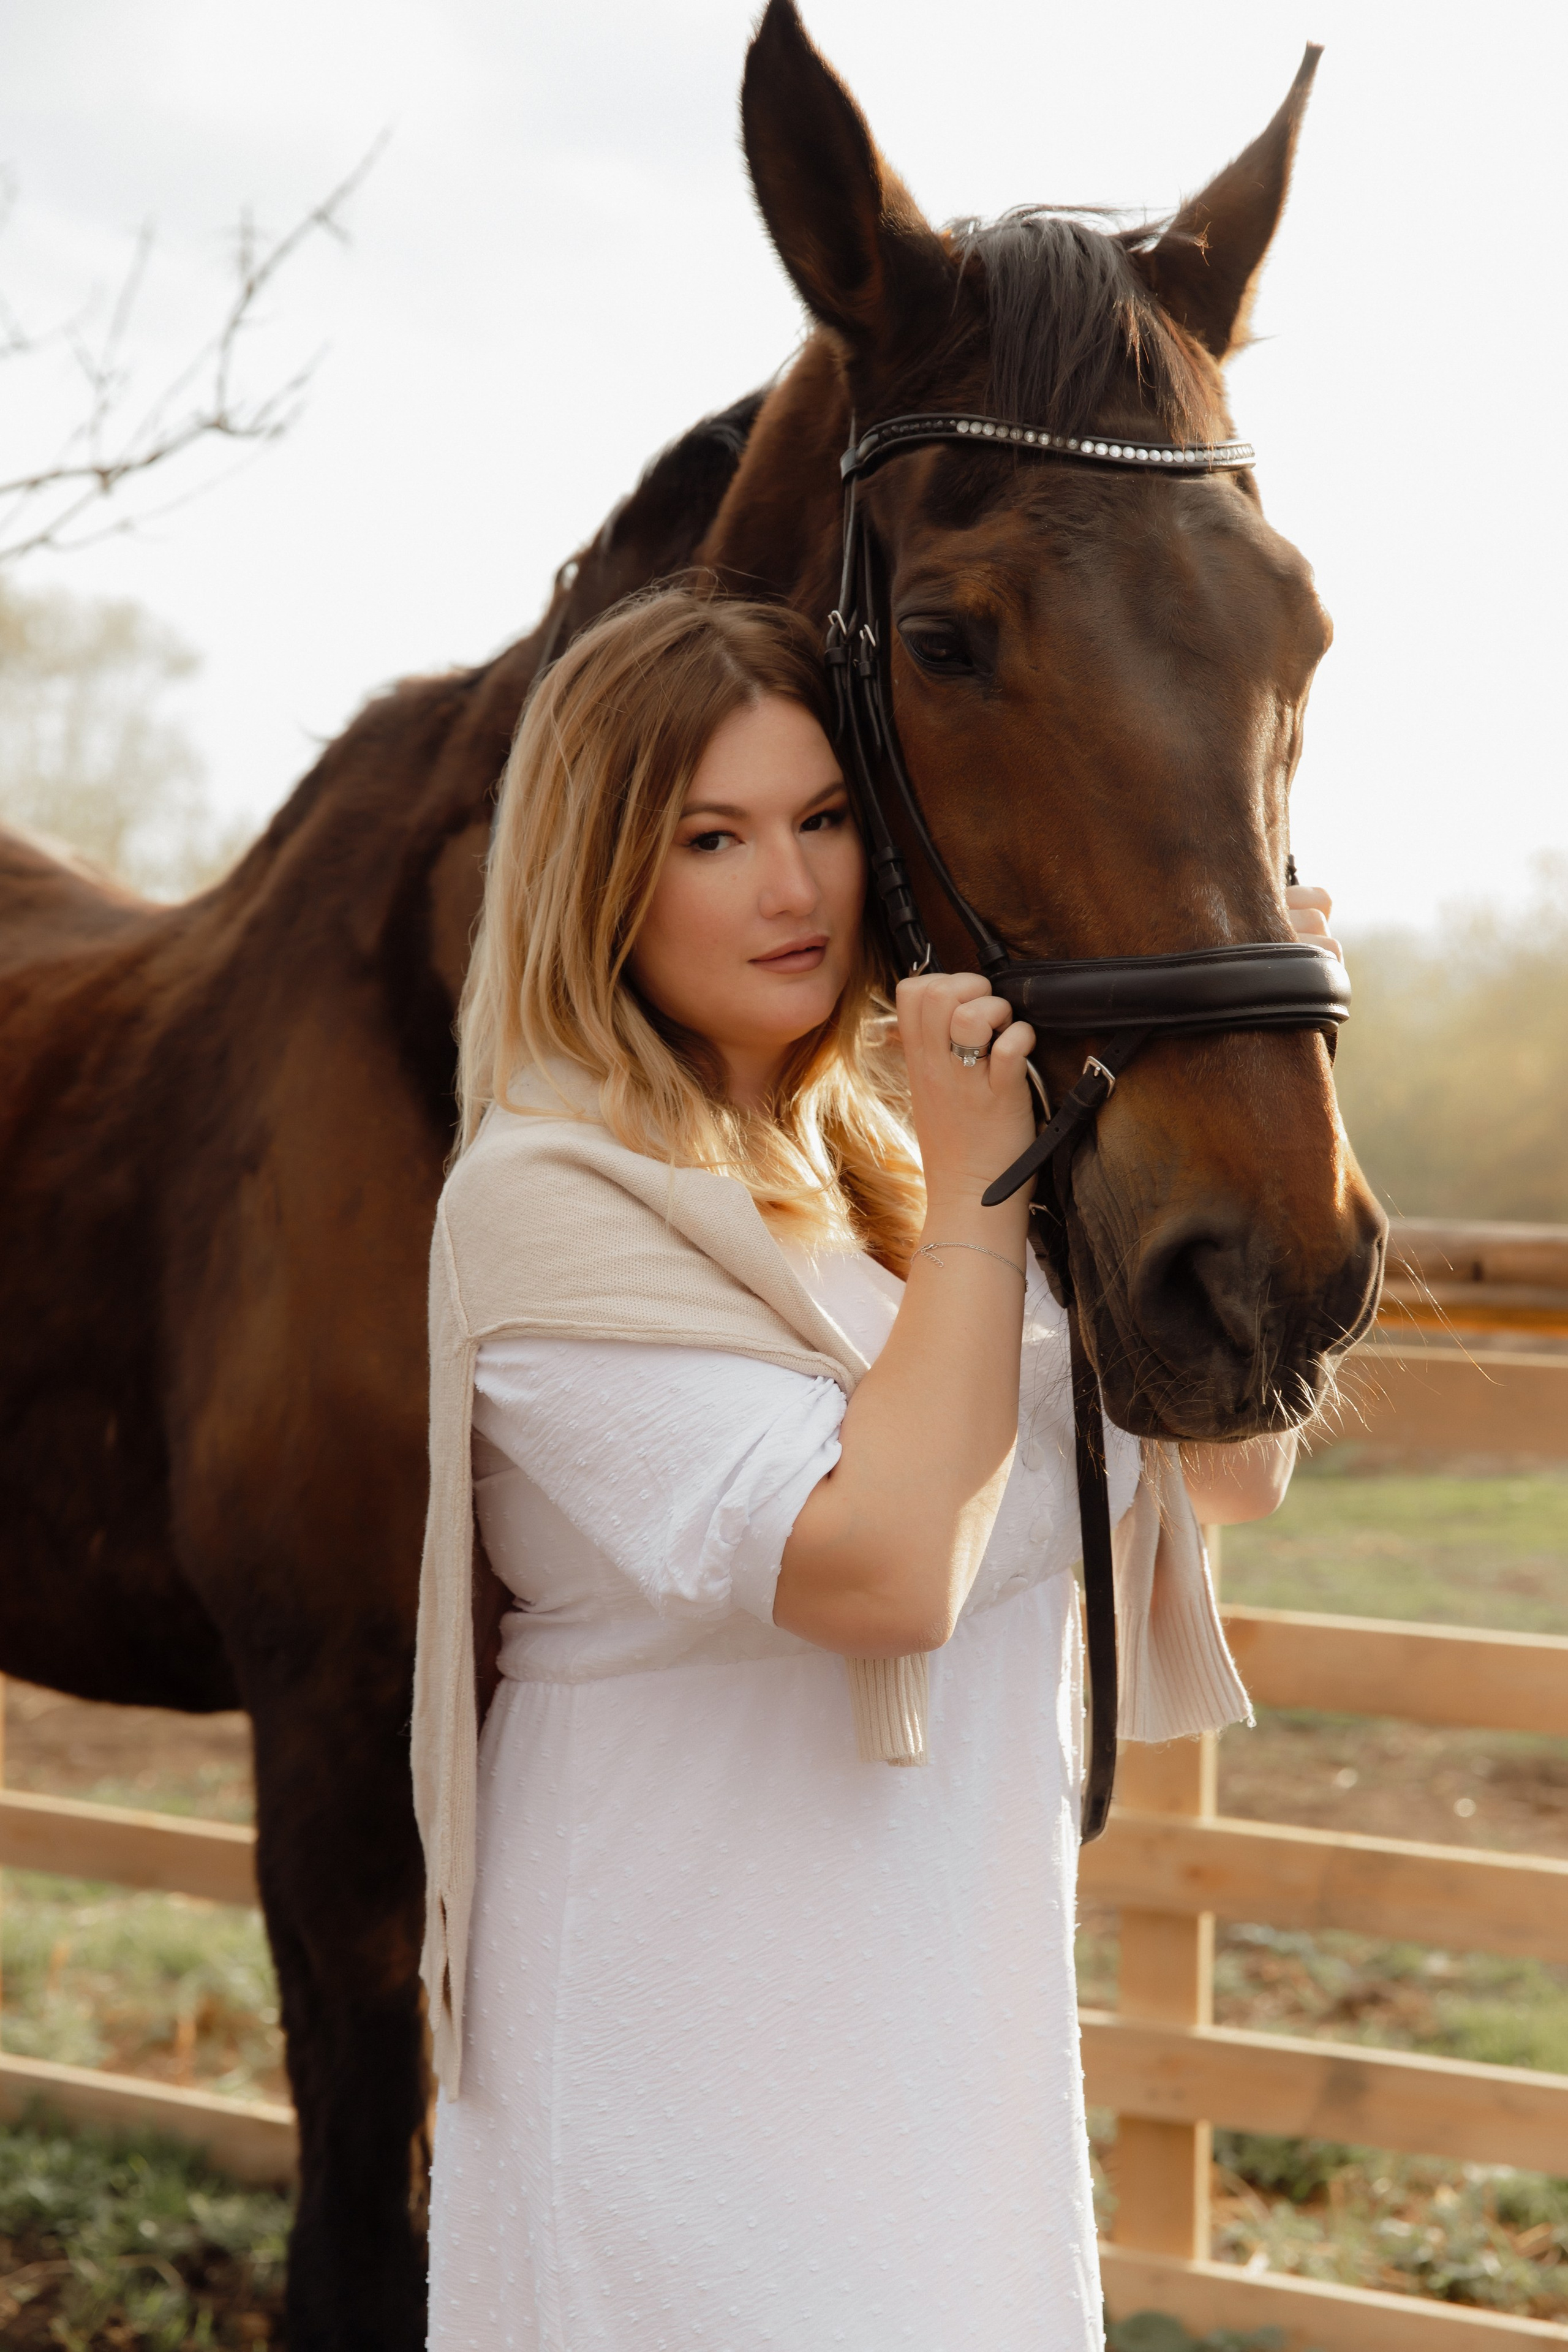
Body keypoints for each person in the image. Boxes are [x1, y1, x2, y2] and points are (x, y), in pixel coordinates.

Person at [412, 587, 1313, 2350]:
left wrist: (1255, 1074)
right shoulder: (546, 1197)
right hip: (687, 2012)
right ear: (600, 870)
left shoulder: (894, 1176)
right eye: (715, 836)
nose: (795, 888)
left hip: (937, 1986)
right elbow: (880, 1567)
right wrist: (992, 1200)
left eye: (825, 821)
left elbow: (1218, 1473)